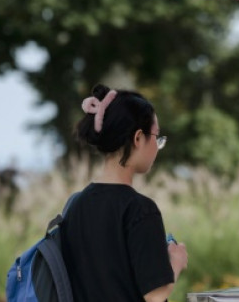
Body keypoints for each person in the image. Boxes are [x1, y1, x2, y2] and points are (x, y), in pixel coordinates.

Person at [61, 84, 188, 302]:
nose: (157, 146)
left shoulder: (75, 205)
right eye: (156, 137)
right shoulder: (140, 209)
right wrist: (176, 262)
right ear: (138, 138)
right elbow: (156, 295)